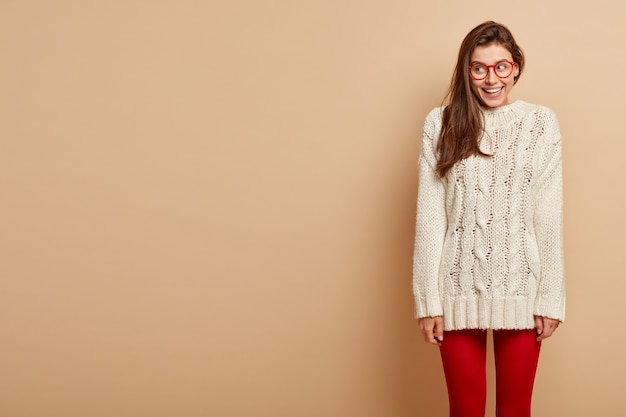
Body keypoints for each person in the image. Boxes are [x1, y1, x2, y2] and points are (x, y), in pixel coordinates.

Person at [412, 21, 565, 417]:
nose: (491, 78)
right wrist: (428, 301)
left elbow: (548, 217)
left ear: (515, 67)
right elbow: (430, 219)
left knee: (515, 410)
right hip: (457, 290)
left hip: (522, 291)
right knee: (464, 410)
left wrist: (551, 298)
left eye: (501, 66)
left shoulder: (540, 124)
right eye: (479, 68)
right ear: (466, 72)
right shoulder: (440, 123)